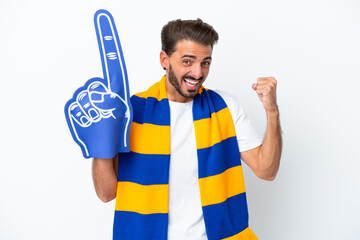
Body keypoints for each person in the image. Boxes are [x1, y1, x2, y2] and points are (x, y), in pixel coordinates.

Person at [92, 19, 282, 240]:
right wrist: (100, 141)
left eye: (205, 63)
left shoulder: (225, 107)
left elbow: (266, 171)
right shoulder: (131, 113)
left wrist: (272, 111)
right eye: (187, 61)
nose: (198, 72)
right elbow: (106, 194)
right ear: (165, 60)